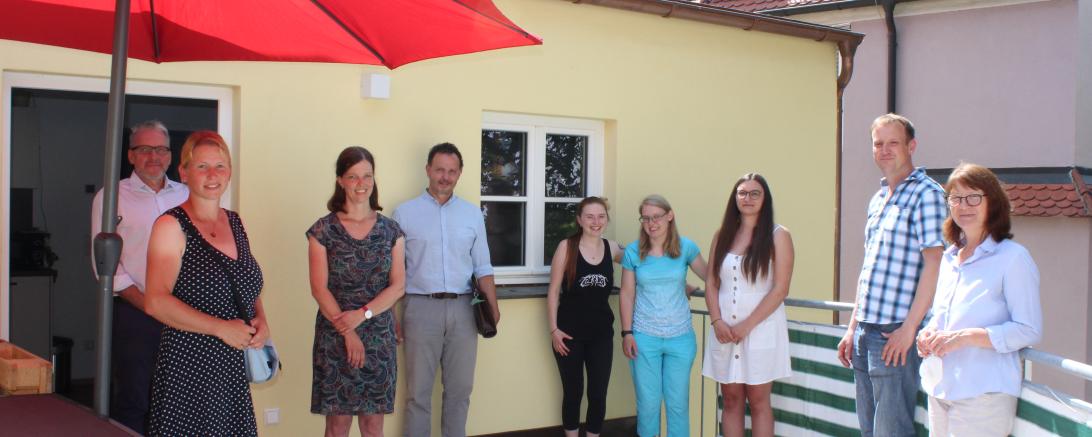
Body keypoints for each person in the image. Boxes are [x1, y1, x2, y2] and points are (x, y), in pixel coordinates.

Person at [144, 131, 267, 436]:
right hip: (189, 369)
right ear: (184, 172)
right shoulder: (171, 226)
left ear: (229, 172)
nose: (213, 175)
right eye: (202, 166)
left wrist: (261, 320)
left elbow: (246, 282)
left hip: (230, 369)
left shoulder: (235, 222)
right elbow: (155, 301)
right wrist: (220, 328)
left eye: (220, 166)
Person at [836, 113, 947, 437]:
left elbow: (935, 263)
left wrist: (909, 329)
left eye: (893, 143)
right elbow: (868, 270)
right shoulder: (878, 199)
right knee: (870, 431)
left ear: (911, 146)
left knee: (891, 432)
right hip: (864, 331)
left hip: (894, 334)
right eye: (878, 144)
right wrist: (852, 328)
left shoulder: (926, 194)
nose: (884, 150)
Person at [916, 163, 1041, 436]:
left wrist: (967, 337)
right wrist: (928, 333)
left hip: (984, 395)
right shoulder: (949, 258)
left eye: (973, 197)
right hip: (940, 388)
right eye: (956, 198)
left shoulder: (1013, 258)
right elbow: (940, 316)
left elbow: (1028, 329)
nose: (963, 206)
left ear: (992, 202)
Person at [393, 142, 500, 437]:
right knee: (417, 394)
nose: (445, 177)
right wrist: (391, 315)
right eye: (439, 170)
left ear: (460, 173)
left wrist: (493, 307)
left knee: (460, 391)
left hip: (464, 310)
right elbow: (394, 272)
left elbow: (483, 266)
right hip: (420, 308)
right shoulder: (404, 214)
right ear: (428, 169)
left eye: (452, 171)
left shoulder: (472, 214)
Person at [90, 120, 188, 434]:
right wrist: (148, 305)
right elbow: (105, 265)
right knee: (134, 399)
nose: (153, 156)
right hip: (136, 312)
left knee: (180, 398)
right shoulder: (111, 196)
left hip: (186, 313)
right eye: (144, 149)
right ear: (131, 156)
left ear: (170, 156)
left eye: (160, 149)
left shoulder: (187, 195)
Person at [308, 146, 406, 437]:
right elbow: (319, 289)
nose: (361, 183)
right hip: (336, 335)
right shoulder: (322, 231)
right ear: (340, 180)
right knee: (337, 425)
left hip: (378, 336)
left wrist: (362, 315)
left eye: (367, 176)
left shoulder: (392, 231)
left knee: (373, 425)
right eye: (353, 176)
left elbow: (398, 286)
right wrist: (348, 331)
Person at [701, 174, 794, 437]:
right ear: (735, 198)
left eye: (755, 193)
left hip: (760, 329)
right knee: (730, 400)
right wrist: (716, 321)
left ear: (765, 199)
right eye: (742, 193)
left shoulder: (779, 235)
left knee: (759, 401)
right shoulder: (722, 235)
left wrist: (746, 326)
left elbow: (780, 289)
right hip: (724, 331)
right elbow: (711, 282)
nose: (748, 198)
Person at [620, 194, 707, 437]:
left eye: (657, 216)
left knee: (678, 405)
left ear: (670, 216)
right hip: (644, 337)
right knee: (648, 406)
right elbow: (627, 294)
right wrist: (627, 333)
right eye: (646, 218)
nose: (651, 223)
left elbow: (712, 277)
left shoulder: (686, 248)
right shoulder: (634, 251)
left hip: (680, 338)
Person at [546, 197, 624, 437]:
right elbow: (553, 291)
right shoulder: (567, 247)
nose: (596, 221)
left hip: (601, 334)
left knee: (598, 393)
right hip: (568, 334)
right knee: (573, 392)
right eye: (589, 216)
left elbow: (644, 263)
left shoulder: (612, 248)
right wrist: (554, 330)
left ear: (607, 219)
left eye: (601, 216)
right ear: (579, 220)